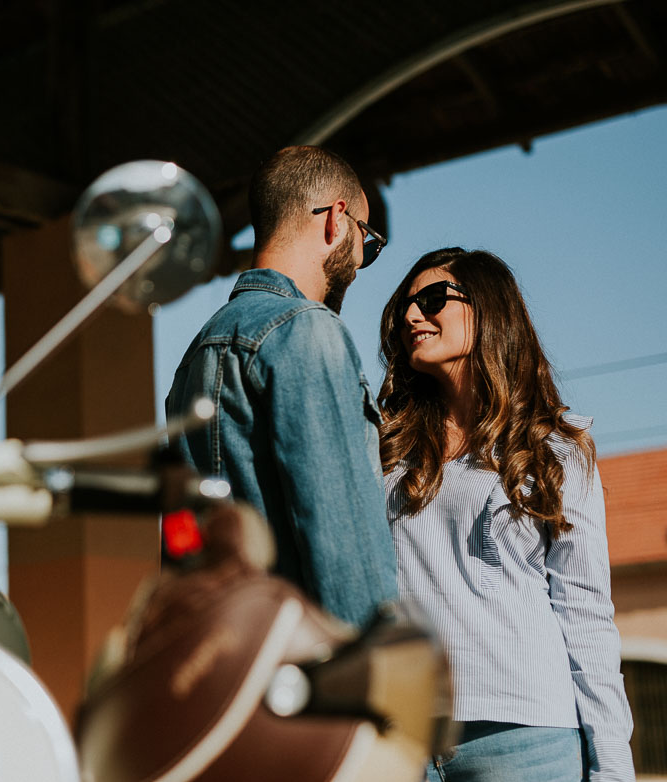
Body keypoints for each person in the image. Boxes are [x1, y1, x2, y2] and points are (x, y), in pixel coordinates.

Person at [378, 247, 634, 781]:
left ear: (489, 311)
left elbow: (585, 614)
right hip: (400, 739)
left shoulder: (555, 448)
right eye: (404, 306)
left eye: (431, 300)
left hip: (525, 741)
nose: (410, 316)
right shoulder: (386, 451)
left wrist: (612, 767)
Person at [165, 145, 397, 628]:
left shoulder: (197, 354)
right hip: (302, 665)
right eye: (367, 241)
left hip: (223, 656)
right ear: (337, 220)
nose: (359, 263)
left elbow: (182, 541)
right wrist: (376, 669)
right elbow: (341, 533)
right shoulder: (308, 331)